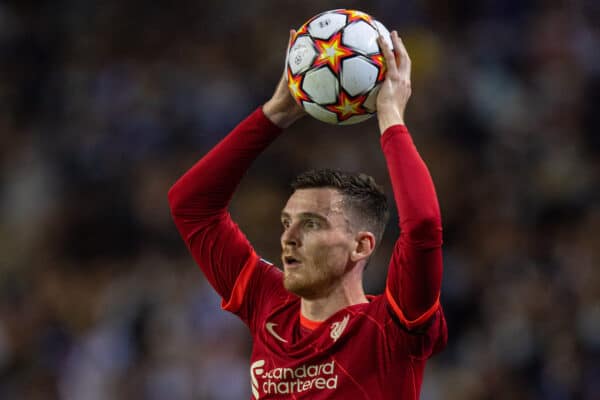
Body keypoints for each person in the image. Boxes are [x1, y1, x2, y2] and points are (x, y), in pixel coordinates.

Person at [168, 29, 447, 399]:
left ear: (361, 245)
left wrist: (391, 118)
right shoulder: (269, 306)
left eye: (311, 223)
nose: (288, 237)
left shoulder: (391, 326)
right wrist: (275, 113)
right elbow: (190, 205)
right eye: (287, 223)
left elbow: (423, 224)